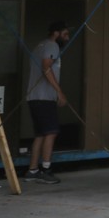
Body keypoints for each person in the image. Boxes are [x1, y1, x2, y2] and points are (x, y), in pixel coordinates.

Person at [24, 20, 70, 184]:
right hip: (44, 98)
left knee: (41, 134)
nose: (67, 38)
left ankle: (32, 170)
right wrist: (59, 92)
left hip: (34, 97)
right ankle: (45, 169)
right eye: (65, 34)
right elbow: (46, 67)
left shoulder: (40, 45)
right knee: (51, 132)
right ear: (56, 33)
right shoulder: (52, 46)